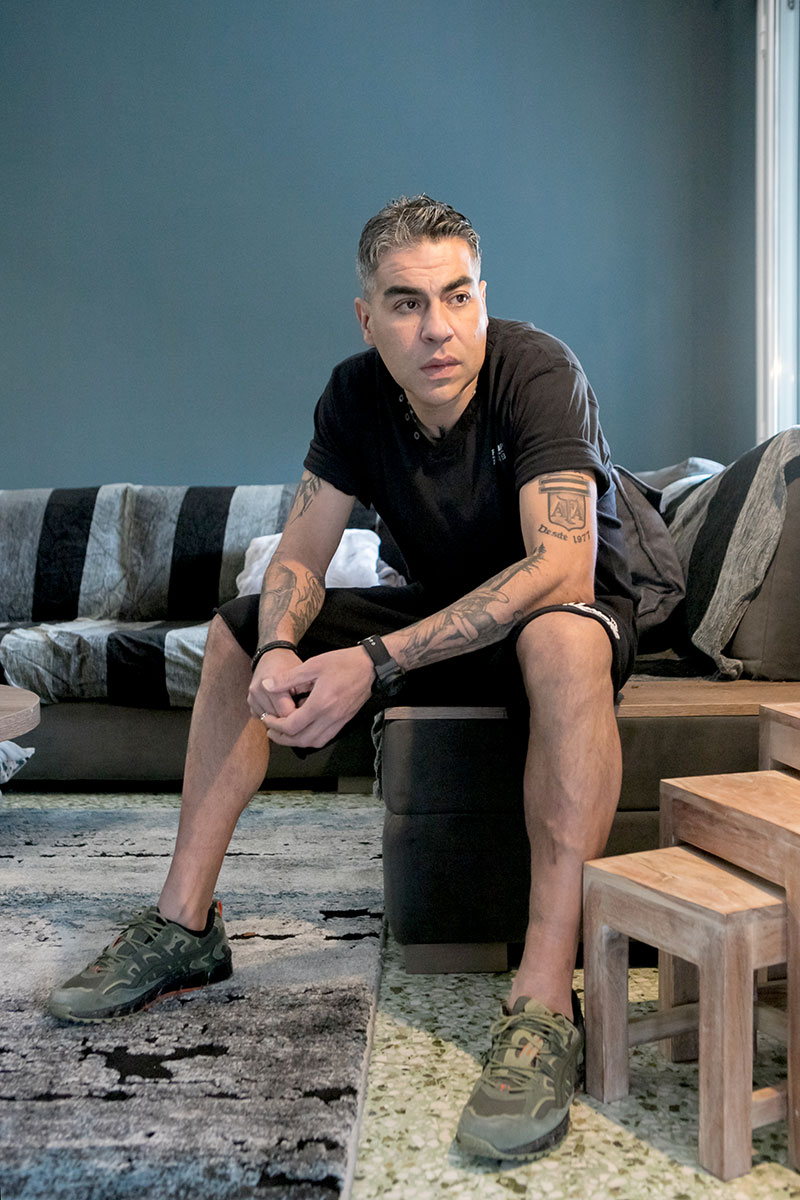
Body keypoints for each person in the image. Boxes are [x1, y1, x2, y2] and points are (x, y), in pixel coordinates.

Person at [48, 195, 637, 1162]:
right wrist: (281, 645)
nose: (437, 327)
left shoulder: (539, 372)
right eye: (407, 303)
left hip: (564, 605)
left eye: (457, 296)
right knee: (237, 631)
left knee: (560, 640)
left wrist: (372, 662)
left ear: (484, 299)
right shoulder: (354, 395)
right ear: (368, 318)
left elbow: (562, 569)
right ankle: (183, 923)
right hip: (442, 599)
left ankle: (542, 1002)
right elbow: (301, 553)